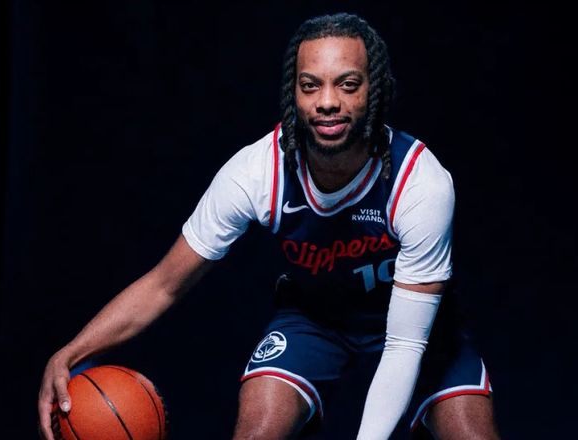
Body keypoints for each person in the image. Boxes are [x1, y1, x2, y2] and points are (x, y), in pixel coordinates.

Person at [38, 13, 500, 440]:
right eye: (310, 85)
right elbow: (164, 285)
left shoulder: (419, 182)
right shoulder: (257, 172)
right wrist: (71, 352)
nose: (328, 102)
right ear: (293, 93)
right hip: (315, 321)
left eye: (347, 85)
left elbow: (403, 345)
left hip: (418, 331)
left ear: (372, 91)